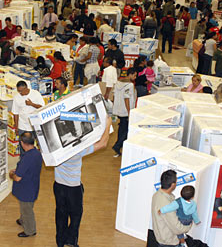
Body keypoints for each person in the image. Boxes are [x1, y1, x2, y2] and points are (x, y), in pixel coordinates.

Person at [53, 115, 112, 247]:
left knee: (61, 214)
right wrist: (107, 124)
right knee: (75, 215)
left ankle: (61, 241)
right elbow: (103, 143)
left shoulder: (56, 147)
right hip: (73, 188)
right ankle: (71, 241)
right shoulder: (76, 148)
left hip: (58, 185)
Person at [10, 132, 42, 238]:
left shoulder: (27, 157)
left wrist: (12, 174)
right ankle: (22, 220)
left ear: (23, 143)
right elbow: (28, 169)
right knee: (26, 206)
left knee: (26, 209)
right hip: (33, 185)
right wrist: (19, 170)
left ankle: (30, 230)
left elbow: (18, 178)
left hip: (25, 189)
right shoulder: (36, 153)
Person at [152, 170, 192, 247]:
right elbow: (177, 228)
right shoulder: (166, 204)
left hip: (162, 238)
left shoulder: (157, 195)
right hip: (169, 242)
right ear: (173, 185)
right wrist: (189, 225)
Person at [12, 81, 45, 155]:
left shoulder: (35, 94)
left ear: (26, 88)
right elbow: (15, 113)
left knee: (33, 147)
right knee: (22, 148)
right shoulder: (16, 97)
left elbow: (42, 107)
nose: (20, 93)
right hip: (22, 126)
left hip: (33, 125)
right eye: (18, 91)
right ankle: (23, 162)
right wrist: (16, 127)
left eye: (21, 91)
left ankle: (33, 161)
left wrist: (31, 104)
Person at [112, 68, 136, 157]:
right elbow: (127, 99)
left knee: (122, 128)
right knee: (126, 130)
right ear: (130, 74)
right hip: (125, 111)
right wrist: (129, 112)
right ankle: (117, 145)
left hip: (118, 110)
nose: (135, 77)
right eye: (134, 75)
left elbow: (114, 95)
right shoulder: (129, 85)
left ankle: (118, 146)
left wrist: (114, 107)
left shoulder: (118, 83)